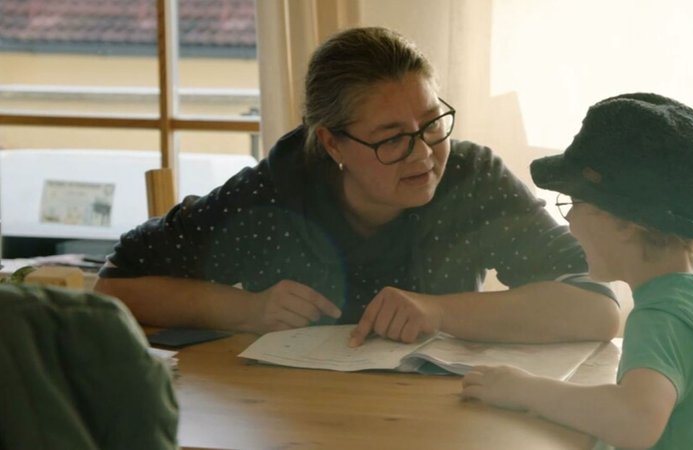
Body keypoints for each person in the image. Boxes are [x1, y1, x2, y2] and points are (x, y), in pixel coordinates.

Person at [94, 27, 618, 346]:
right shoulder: (274, 192)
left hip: (434, 419)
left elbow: (598, 308)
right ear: (332, 144)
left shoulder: (471, 179)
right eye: (391, 139)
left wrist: (439, 310)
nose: (423, 154)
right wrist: (246, 310)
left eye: (433, 124)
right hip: (295, 418)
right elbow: (115, 288)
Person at [461, 93, 693, 449]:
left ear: (626, 222)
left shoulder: (662, 317)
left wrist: (523, 390)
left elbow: (635, 422)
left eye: (575, 204)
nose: (570, 224)